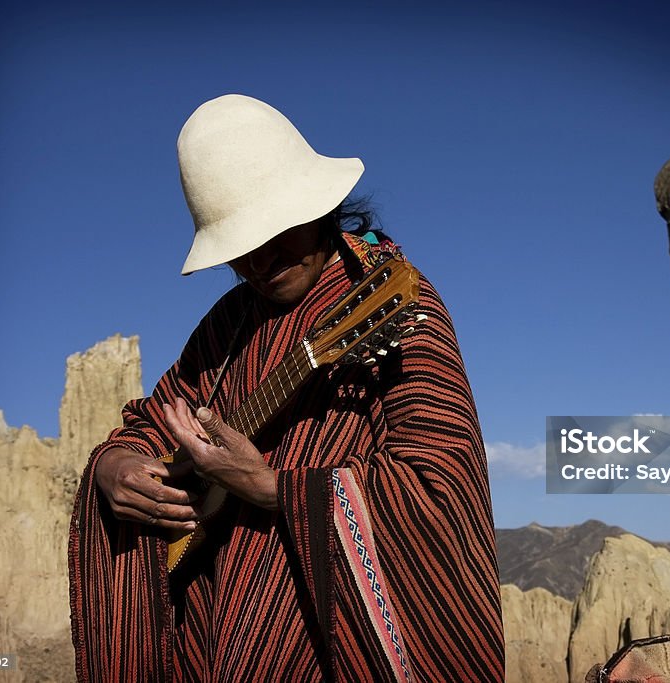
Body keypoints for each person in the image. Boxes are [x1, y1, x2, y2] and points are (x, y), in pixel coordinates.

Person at [68, 94, 505, 681]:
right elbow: (156, 418)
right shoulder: (228, 323)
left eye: (277, 233)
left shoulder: (394, 300)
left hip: (331, 643)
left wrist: (273, 488)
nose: (261, 261)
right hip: (220, 631)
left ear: (318, 206)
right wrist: (115, 466)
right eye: (241, 249)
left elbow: (440, 484)